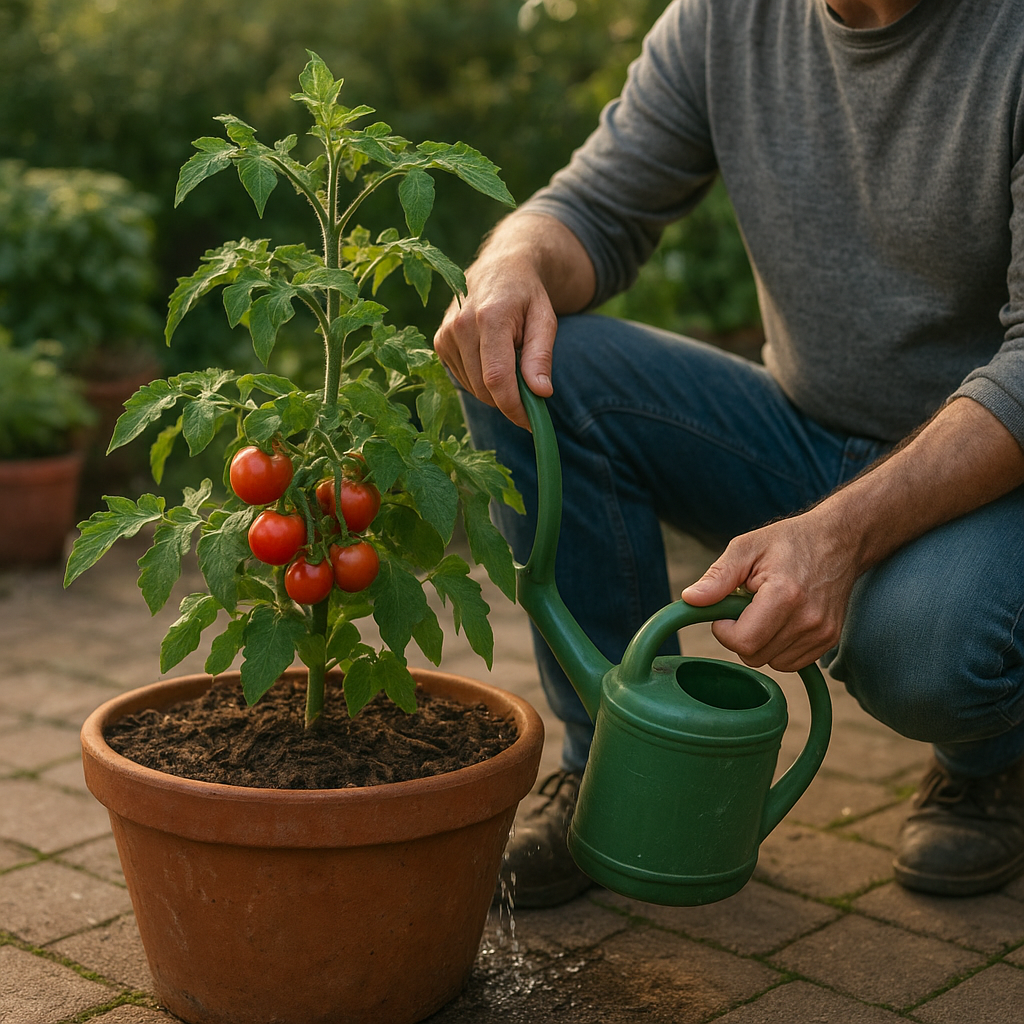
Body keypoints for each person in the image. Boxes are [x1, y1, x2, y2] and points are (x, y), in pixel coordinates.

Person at [434, 0, 1024, 906]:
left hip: (989, 474)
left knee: (929, 650)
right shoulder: (725, 18)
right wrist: (511, 262)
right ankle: (614, 762)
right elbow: (592, 210)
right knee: (546, 367)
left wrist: (840, 537)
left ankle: (992, 761)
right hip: (805, 435)